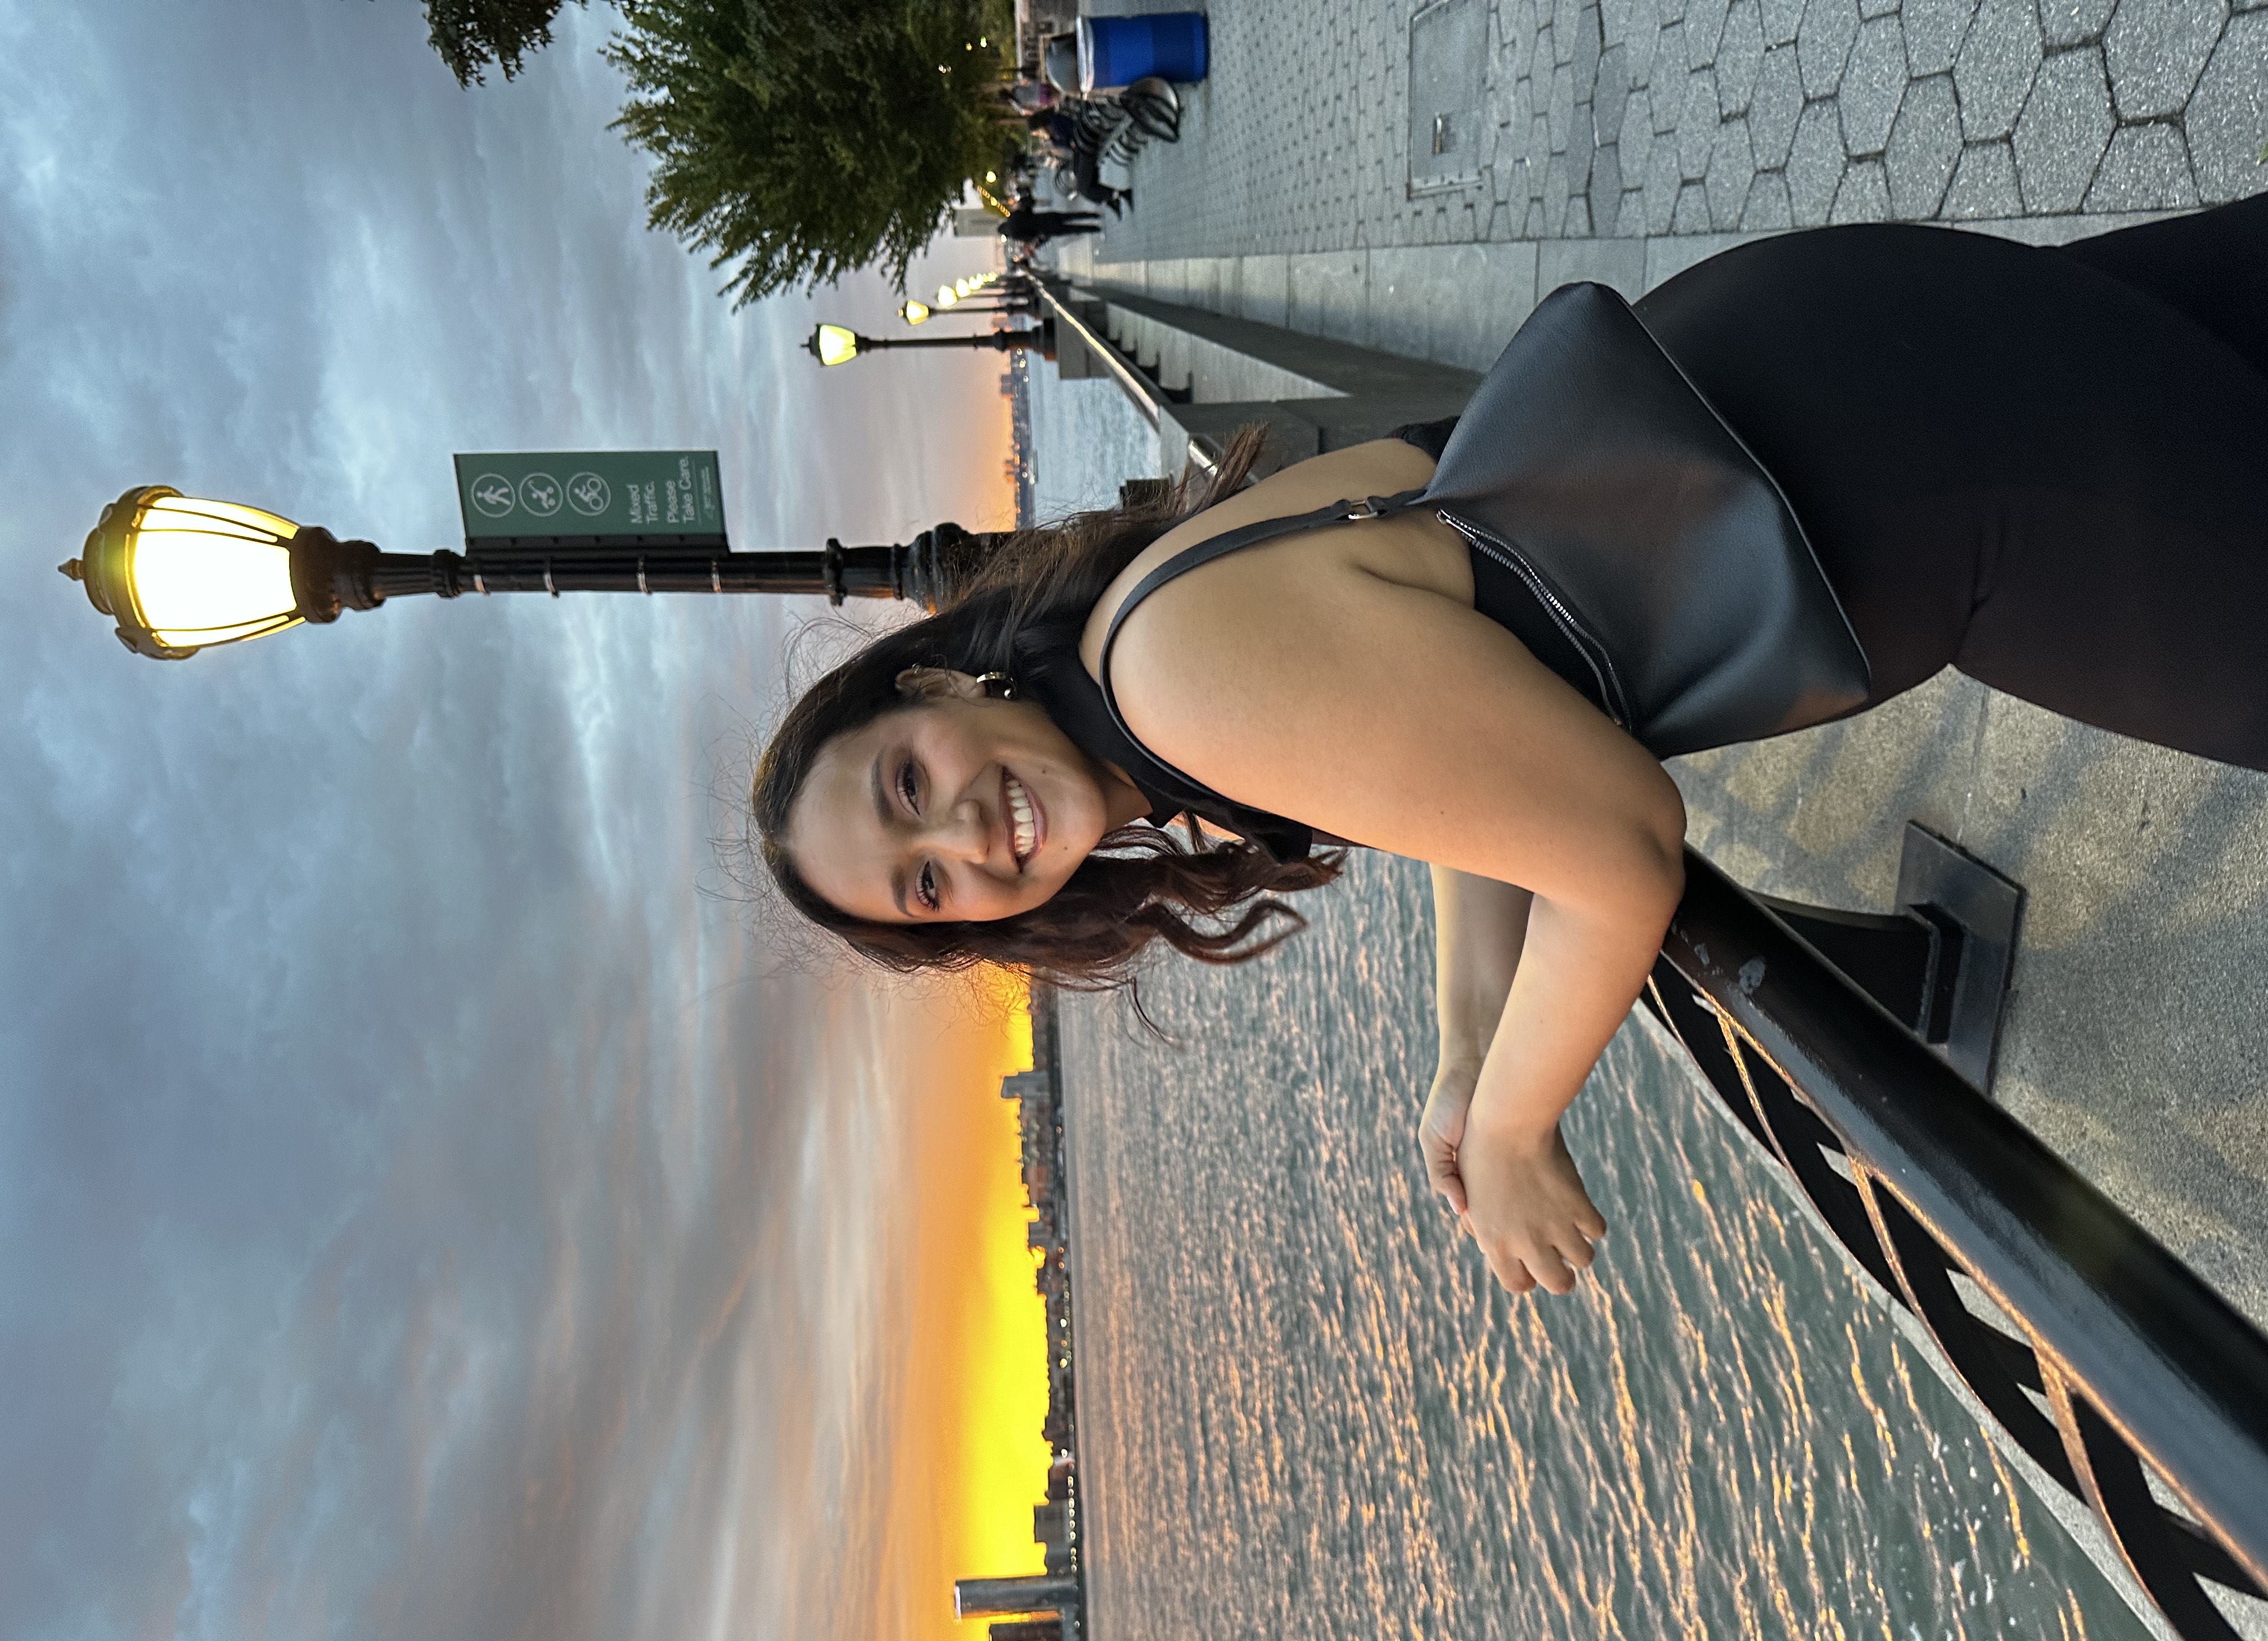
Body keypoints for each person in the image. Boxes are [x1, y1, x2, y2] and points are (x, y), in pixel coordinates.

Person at [753, 199, 2268, 1299]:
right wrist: (1464, 1048)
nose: (963, 837)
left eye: (906, 790)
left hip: (1916, 485)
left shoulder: (1179, 691)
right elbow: (1473, 769)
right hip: (1821, 372)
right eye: (929, 890)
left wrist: (1519, 1123)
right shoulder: (1134, 644)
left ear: (943, 685)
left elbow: (1613, 846)